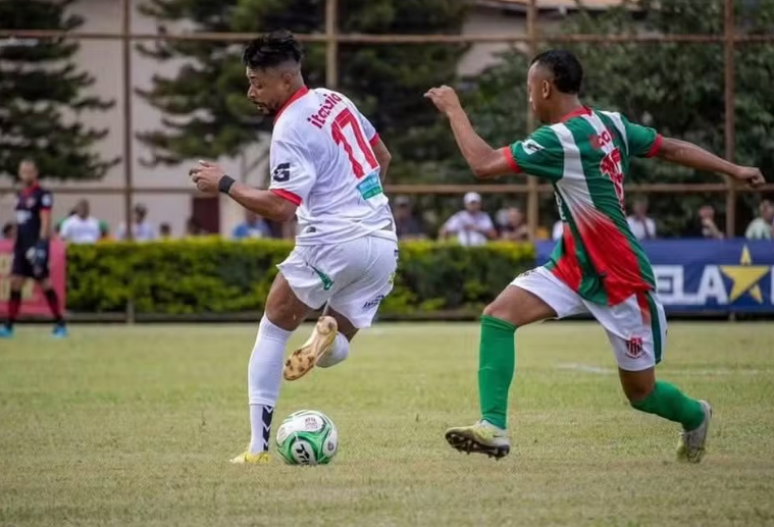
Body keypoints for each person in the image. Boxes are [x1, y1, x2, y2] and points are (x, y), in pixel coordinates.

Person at [425, 49, 765, 463]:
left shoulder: (560, 138)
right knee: (499, 316)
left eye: (530, 89)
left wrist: (453, 108)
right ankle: (493, 427)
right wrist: (734, 169)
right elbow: (670, 148)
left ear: (546, 87)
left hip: (620, 277)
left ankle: (695, 415)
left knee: (642, 395)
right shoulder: (612, 123)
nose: (529, 99)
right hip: (572, 266)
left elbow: (483, 164)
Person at [189, 30, 397, 465]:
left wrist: (224, 183)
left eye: (257, 83)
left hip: (333, 240)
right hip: (382, 241)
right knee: (333, 350)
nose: (251, 92)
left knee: (272, 327)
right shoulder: (335, 99)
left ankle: (257, 449)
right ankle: (326, 336)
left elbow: (282, 208)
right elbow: (383, 157)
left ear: (285, 80)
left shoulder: (289, 126)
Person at [1, 159, 67, 338]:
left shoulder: (42, 194)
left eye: (29, 171)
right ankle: (8, 325)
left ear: (35, 173)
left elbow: (45, 221)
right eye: (23, 171)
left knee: (44, 283)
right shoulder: (21, 195)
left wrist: (41, 246)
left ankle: (60, 323)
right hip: (21, 247)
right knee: (15, 282)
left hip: (36, 246)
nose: (26, 174)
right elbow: (23, 222)